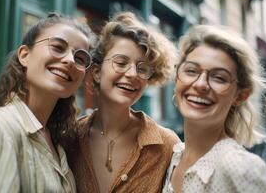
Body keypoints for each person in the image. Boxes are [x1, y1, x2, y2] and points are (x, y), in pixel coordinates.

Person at [0, 13, 94, 192]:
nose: (69, 60)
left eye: (80, 58)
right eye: (58, 47)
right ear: (24, 55)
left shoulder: (56, 139)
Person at [66, 12, 181, 193]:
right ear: (97, 72)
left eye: (142, 68)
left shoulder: (167, 145)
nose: (133, 74)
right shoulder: (69, 139)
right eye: (121, 63)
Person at [162, 25, 266, 193]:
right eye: (191, 70)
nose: (200, 84)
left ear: (240, 96)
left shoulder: (238, 167)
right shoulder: (174, 157)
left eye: (219, 77)